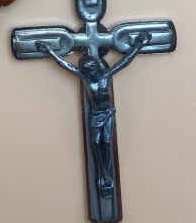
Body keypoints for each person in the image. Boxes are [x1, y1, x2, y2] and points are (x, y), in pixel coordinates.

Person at [36, 31, 151, 195]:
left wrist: (138, 45)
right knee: (95, 143)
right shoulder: (87, 80)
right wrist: (49, 51)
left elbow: (125, 61)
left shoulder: (106, 77)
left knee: (107, 142)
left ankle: (107, 174)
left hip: (108, 113)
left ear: (96, 67)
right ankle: (101, 173)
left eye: (92, 68)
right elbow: (65, 65)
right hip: (95, 116)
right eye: (87, 69)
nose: (91, 71)